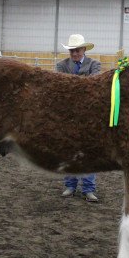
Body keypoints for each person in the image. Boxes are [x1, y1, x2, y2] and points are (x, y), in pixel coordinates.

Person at [56, 33, 101, 202]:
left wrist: (72, 85)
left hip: (89, 115)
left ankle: (88, 189)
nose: (74, 53)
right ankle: (70, 186)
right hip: (68, 116)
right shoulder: (61, 65)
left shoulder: (95, 64)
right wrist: (82, 83)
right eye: (72, 51)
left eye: (77, 50)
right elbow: (61, 87)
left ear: (83, 49)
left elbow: (94, 85)